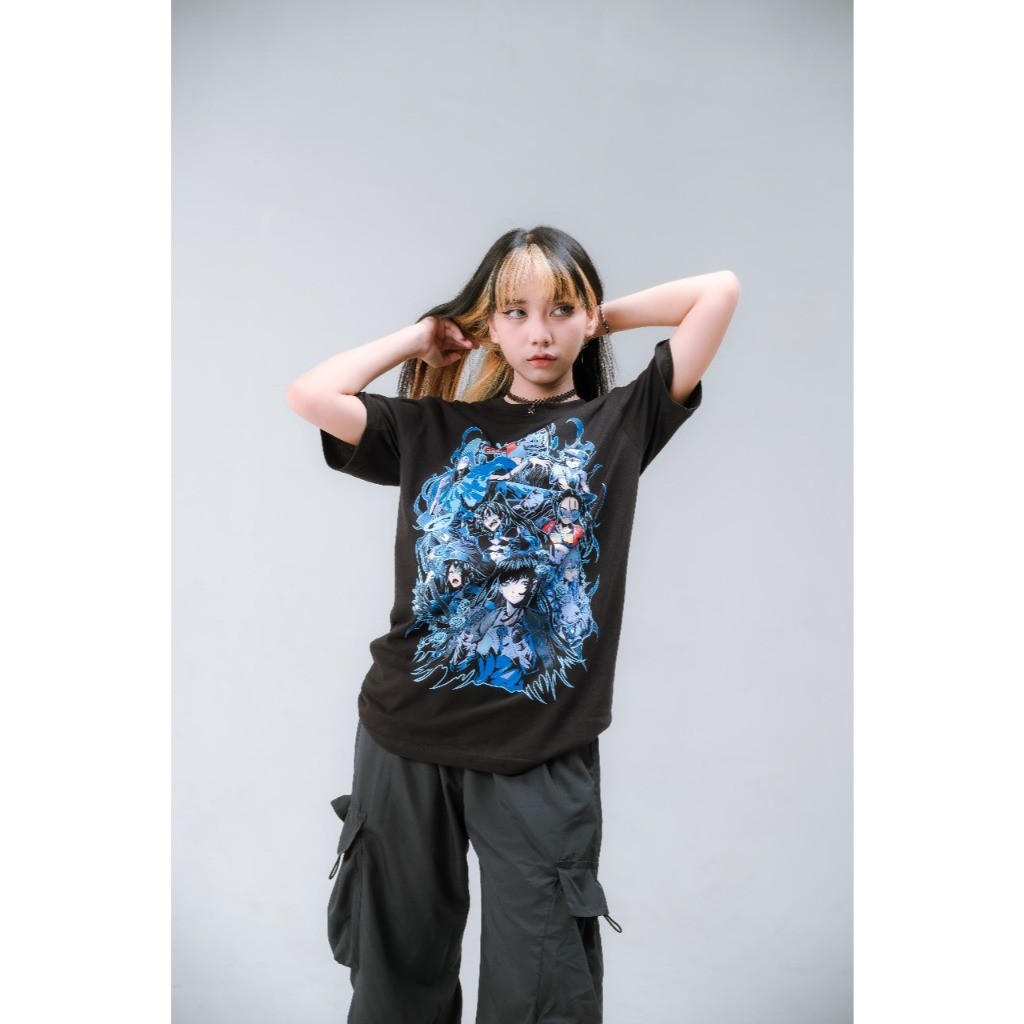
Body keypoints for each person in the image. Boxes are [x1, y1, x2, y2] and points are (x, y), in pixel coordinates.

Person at [286, 225, 739, 1023]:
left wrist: (596, 319)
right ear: (489, 325)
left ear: (585, 318)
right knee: (395, 974)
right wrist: (423, 337)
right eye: (516, 312)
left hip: (540, 746)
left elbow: (718, 292)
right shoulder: (432, 427)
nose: (539, 333)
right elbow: (312, 395)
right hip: (405, 732)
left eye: (559, 310)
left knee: (542, 987)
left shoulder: (620, 423)